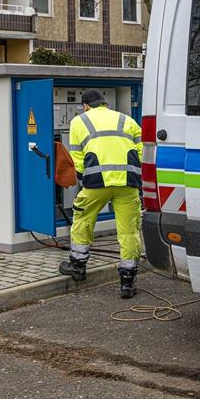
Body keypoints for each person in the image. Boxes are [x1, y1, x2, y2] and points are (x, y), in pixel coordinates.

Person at [58, 89, 144, 298]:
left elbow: (77, 156)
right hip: (128, 182)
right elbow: (141, 150)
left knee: (83, 219)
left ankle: (78, 267)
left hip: (97, 183)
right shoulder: (127, 119)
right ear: (105, 103)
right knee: (128, 230)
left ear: (86, 105)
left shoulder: (79, 121)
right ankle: (127, 282)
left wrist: (83, 178)